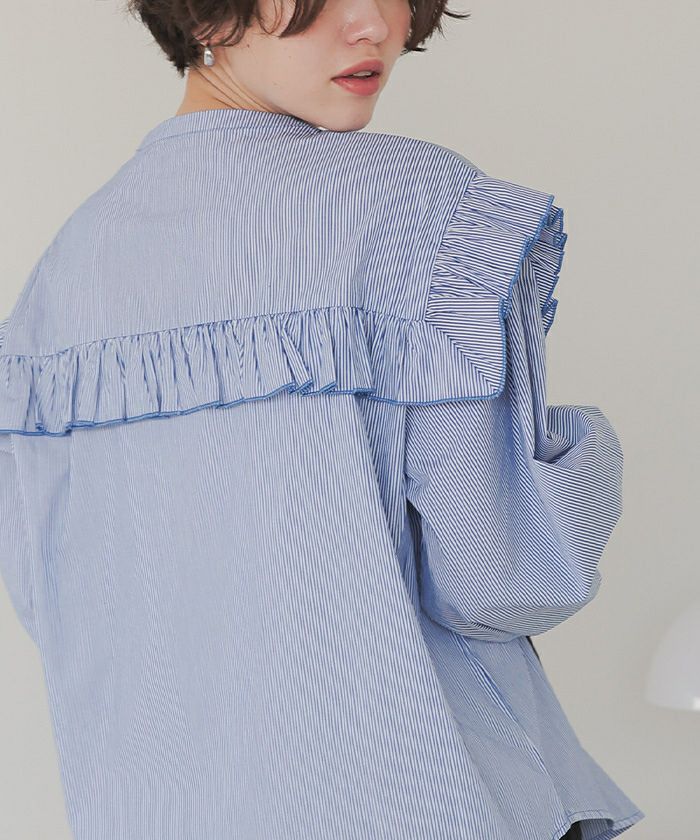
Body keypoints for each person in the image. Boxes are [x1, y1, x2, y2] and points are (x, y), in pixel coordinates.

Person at [0, 1, 645, 838]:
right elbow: (508, 579)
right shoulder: (424, 207)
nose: (373, 25)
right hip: (426, 803)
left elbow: (57, 612)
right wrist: (587, 456)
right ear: (206, 12)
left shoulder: (58, 285)